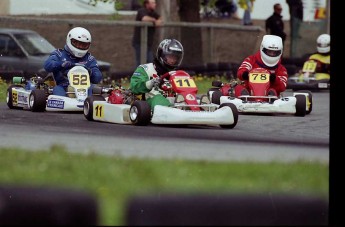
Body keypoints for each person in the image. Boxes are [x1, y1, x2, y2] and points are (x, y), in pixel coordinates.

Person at [43, 27, 102, 97]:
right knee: (57, 90)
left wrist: (90, 72)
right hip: (63, 86)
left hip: (85, 89)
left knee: (94, 89)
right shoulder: (59, 54)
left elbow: (97, 77)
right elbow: (47, 65)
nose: (79, 46)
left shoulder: (89, 59)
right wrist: (61, 65)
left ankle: (89, 103)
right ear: (69, 40)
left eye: (83, 45)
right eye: (76, 43)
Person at [130, 38, 184, 110]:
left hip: (173, 100)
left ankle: (195, 109)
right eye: (170, 57)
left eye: (175, 58)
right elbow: (134, 87)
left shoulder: (176, 74)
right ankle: (173, 110)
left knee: (188, 97)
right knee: (158, 99)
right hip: (149, 101)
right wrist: (151, 83)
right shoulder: (145, 69)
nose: (173, 61)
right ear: (161, 55)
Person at [132, 0, 163, 68]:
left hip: (148, 43)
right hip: (139, 42)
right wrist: (155, 21)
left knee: (150, 62)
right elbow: (144, 18)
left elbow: (160, 18)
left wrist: (158, 21)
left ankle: (149, 78)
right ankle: (138, 78)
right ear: (147, 4)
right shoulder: (141, 11)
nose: (155, 4)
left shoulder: (153, 13)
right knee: (140, 62)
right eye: (153, 3)